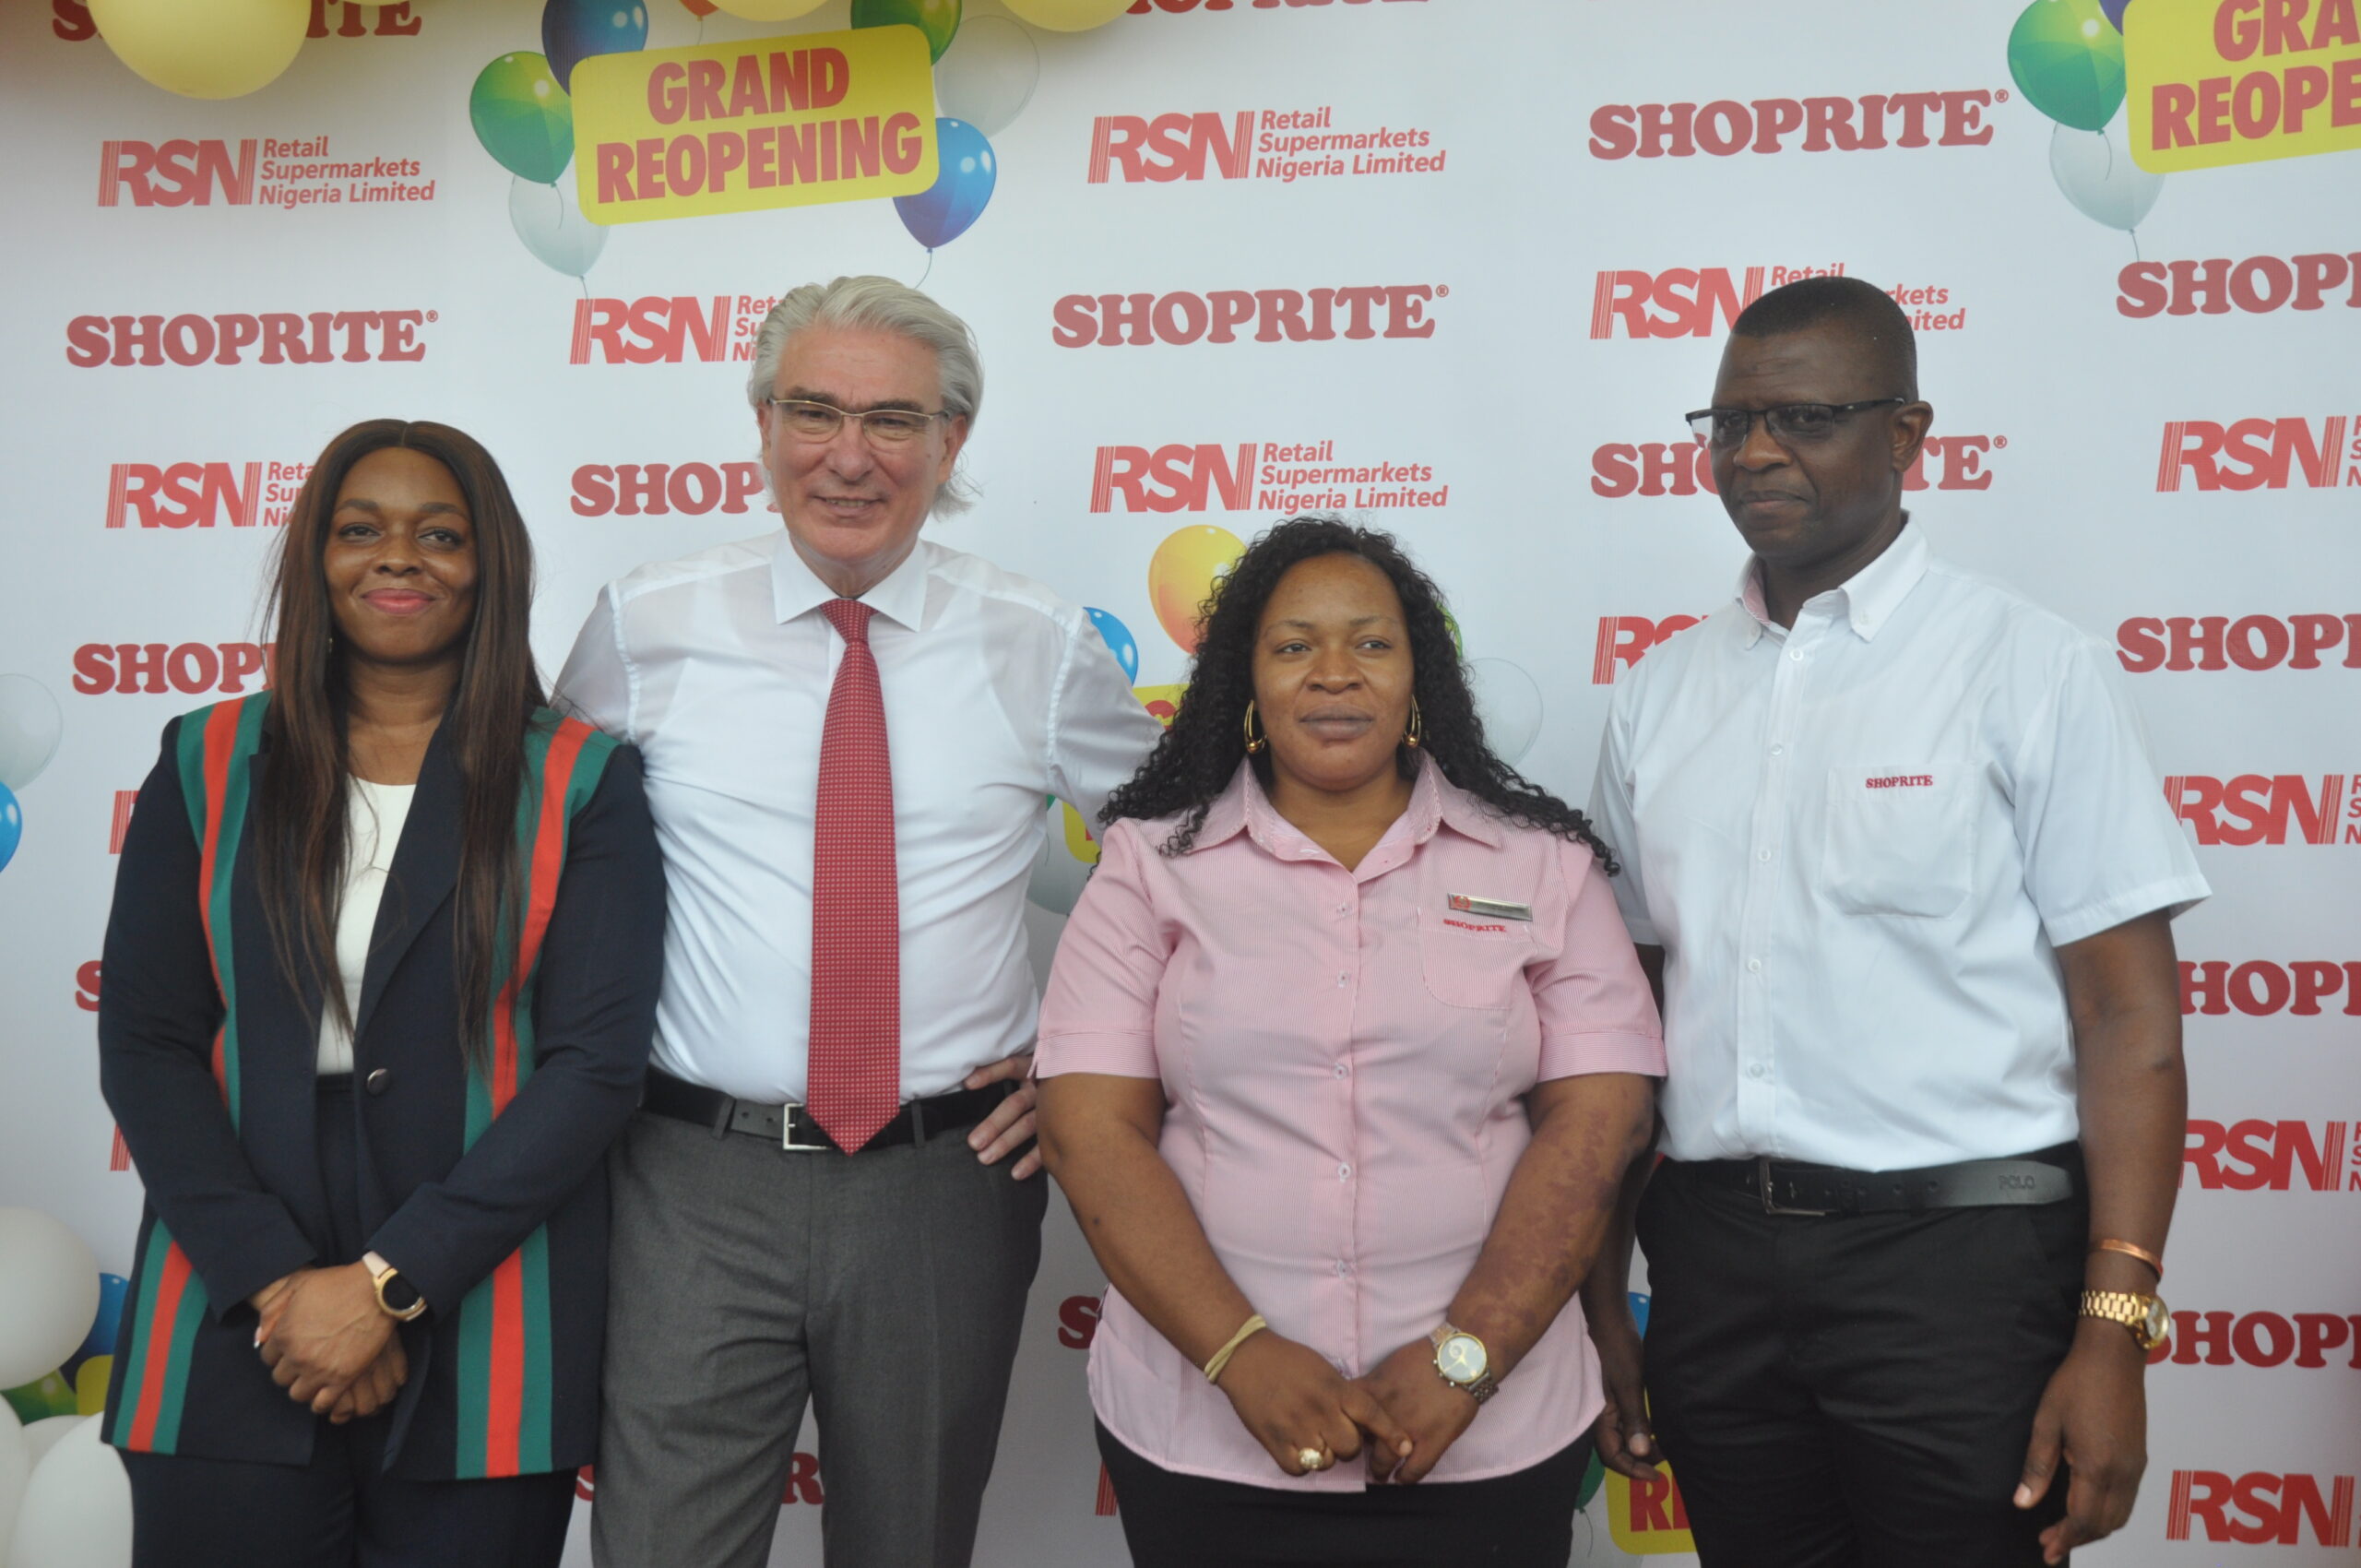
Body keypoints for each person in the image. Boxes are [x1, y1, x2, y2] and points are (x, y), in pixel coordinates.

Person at [1581, 276, 2210, 1568]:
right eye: (1730, 421)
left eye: (1805, 418)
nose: (1756, 451)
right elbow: (1617, 1025)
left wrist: (2113, 1328)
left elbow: (2127, 1016)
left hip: (1962, 1271)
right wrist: (1601, 1302)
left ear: (1908, 434)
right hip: (1713, 1264)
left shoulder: (2028, 669)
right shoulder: (1657, 695)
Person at [560, 274, 1165, 1568]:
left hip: (944, 1183)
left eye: (892, 419)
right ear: (763, 423)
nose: (849, 456)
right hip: (691, 1179)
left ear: (952, 440)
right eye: (814, 412)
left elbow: (1195, 873)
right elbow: (537, 871)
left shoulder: (1038, 643)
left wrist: (1091, 1064)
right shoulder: (644, 626)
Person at [1035, 517, 1664, 1568]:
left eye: (1371, 643)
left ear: (1420, 677)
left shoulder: (1540, 865)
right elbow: (1088, 1132)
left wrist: (1467, 1358)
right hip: (1202, 1432)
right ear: (1246, 680)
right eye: (1294, 646)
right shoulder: (1148, 866)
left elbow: (1603, 1122)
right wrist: (1242, 1358)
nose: (1334, 672)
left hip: (1490, 1432)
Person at [98, 419, 667, 1568]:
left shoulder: (579, 779)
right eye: (360, 529)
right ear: (316, 556)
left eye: (439, 534)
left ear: (490, 565)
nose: (398, 555)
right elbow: (148, 1041)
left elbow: (596, 1066)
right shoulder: (205, 759)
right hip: (227, 1296)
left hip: (489, 1302)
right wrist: (279, 1285)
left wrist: (387, 1284)